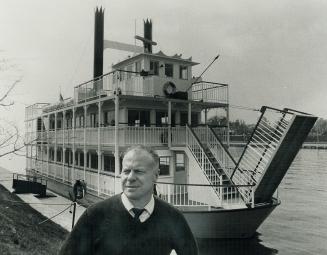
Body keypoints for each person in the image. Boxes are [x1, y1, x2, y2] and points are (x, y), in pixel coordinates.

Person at [59, 145, 198, 255]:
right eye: (126, 171)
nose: (130, 177)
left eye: (138, 171)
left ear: (155, 176)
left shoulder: (173, 218)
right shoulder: (95, 215)